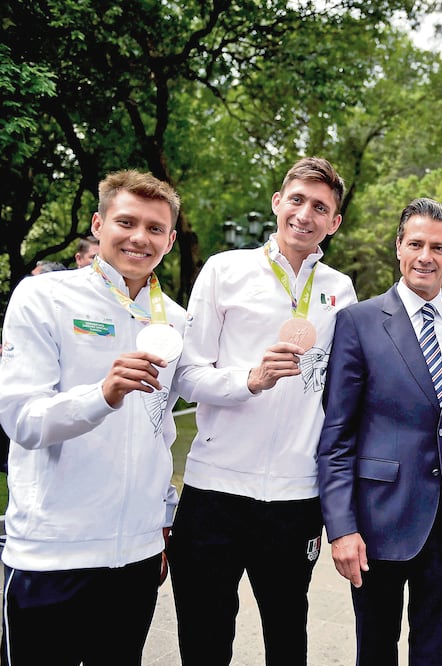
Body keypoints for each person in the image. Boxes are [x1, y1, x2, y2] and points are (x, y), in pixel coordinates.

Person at [170, 157, 357, 665]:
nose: (305, 214)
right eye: (296, 200)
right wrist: (248, 381)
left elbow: (341, 393)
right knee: (205, 642)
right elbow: (187, 376)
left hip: (295, 499)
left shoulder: (341, 290)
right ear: (277, 202)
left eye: (321, 207)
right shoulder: (224, 269)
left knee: (287, 639)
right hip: (215, 491)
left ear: (334, 223)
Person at [0, 170, 185, 664]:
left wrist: (161, 523)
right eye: (127, 221)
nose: (139, 237)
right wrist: (102, 394)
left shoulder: (176, 319)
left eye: (154, 228)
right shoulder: (43, 297)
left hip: (136, 559)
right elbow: (23, 420)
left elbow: (159, 430)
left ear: (169, 239)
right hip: (51, 555)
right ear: (99, 224)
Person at [317, 197, 442, 666]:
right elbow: (337, 436)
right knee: (376, 648)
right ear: (399, 248)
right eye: (416, 244)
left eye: (438, 246)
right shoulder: (358, 322)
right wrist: (341, 527)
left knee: (437, 651)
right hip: (378, 520)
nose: (425, 255)